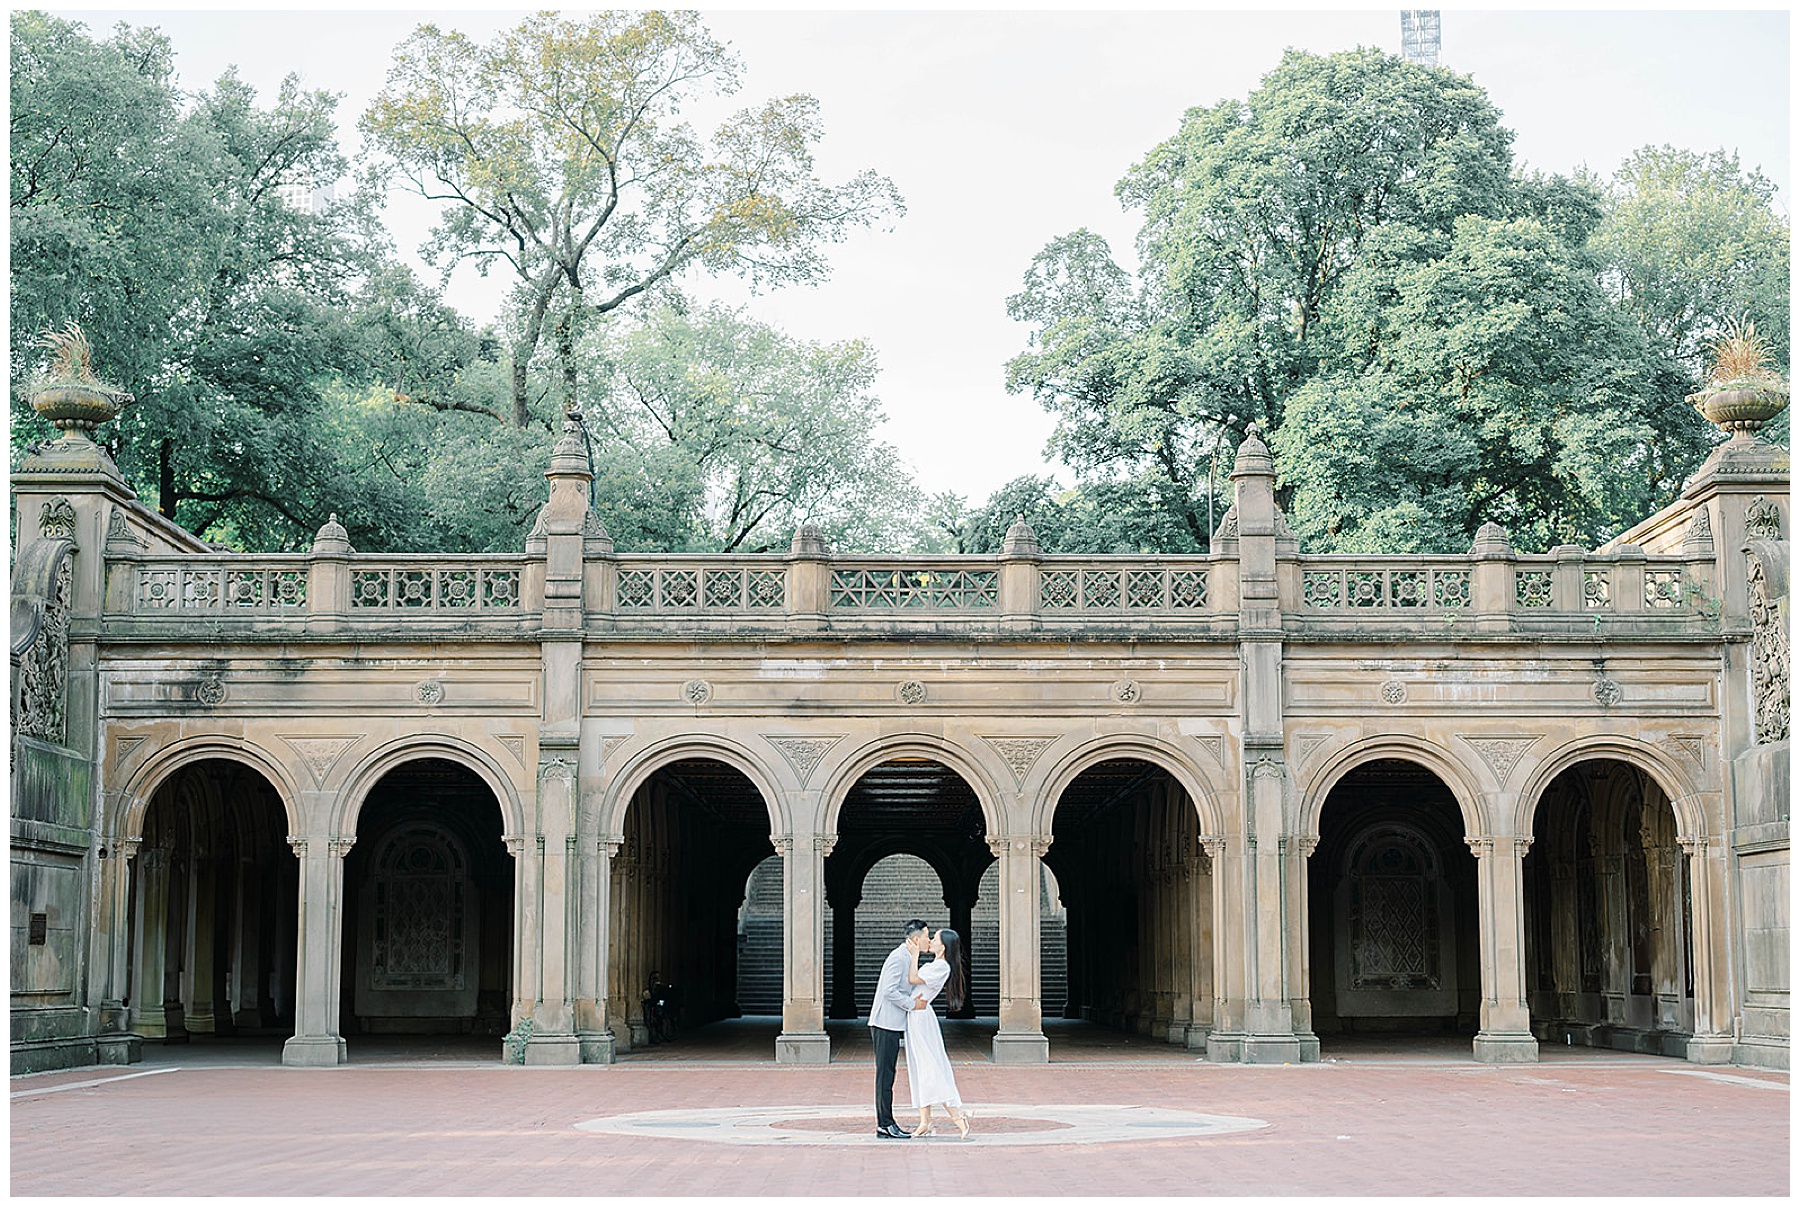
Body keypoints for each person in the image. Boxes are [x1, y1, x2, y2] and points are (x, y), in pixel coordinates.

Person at [902, 929, 972, 1139]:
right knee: (920, 1066)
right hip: (916, 1015)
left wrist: (914, 954)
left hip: (921, 1017)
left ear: (944, 946)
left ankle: (957, 1115)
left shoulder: (942, 967)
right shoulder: (935, 965)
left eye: (935, 939)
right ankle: (925, 1121)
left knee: (930, 1066)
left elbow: (912, 979)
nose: (930, 941)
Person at [869, 918, 930, 1139]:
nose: (928, 940)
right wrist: (912, 1004)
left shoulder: (908, 957)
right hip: (885, 1023)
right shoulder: (898, 958)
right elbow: (889, 991)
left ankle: (886, 1122)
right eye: (926, 936)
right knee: (885, 1075)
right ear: (916, 938)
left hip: (892, 1023)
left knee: (888, 1074)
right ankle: (884, 1124)